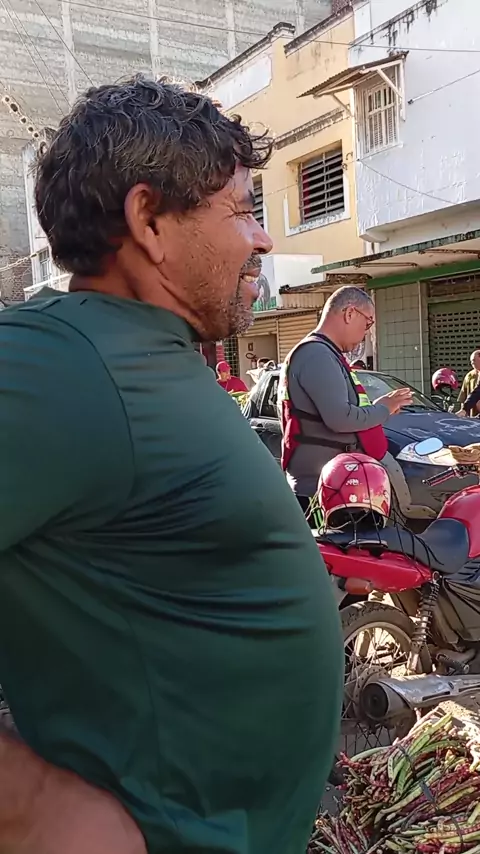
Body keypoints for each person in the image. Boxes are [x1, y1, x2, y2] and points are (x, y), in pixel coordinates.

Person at [0, 78, 343, 854]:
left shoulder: (141, 351)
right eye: (243, 210)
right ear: (149, 220)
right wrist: (33, 807)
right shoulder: (60, 364)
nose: (262, 239)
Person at [278, 286, 413, 523]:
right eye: (368, 322)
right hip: (323, 492)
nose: (366, 333)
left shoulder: (322, 353)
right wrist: (383, 410)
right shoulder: (317, 355)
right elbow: (340, 418)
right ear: (350, 313)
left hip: (333, 485)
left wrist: (378, 407)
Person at [457, 351, 480, 415]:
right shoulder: (469, 376)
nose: (472, 363)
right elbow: (476, 393)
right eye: (471, 361)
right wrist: (464, 409)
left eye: (474, 360)